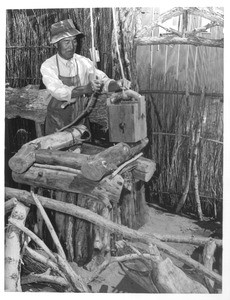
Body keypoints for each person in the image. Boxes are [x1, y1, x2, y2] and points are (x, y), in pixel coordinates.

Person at [41, 19, 129, 135]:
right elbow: (58, 91)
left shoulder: (84, 62)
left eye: (74, 41)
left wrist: (116, 84)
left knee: (82, 150)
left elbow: (103, 81)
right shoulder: (49, 66)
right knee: (58, 152)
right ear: (56, 44)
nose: (71, 46)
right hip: (57, 123)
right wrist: (85, 89)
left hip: (80, 121)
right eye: (66, 42)